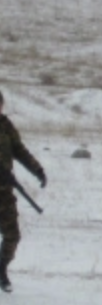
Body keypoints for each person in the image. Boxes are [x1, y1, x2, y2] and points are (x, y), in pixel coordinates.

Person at [0, 90, 47, 294]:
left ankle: (1, 270)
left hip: (4, 191)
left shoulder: (5, 125)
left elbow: (19, 150)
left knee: (13, 235)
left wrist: (37, 169)